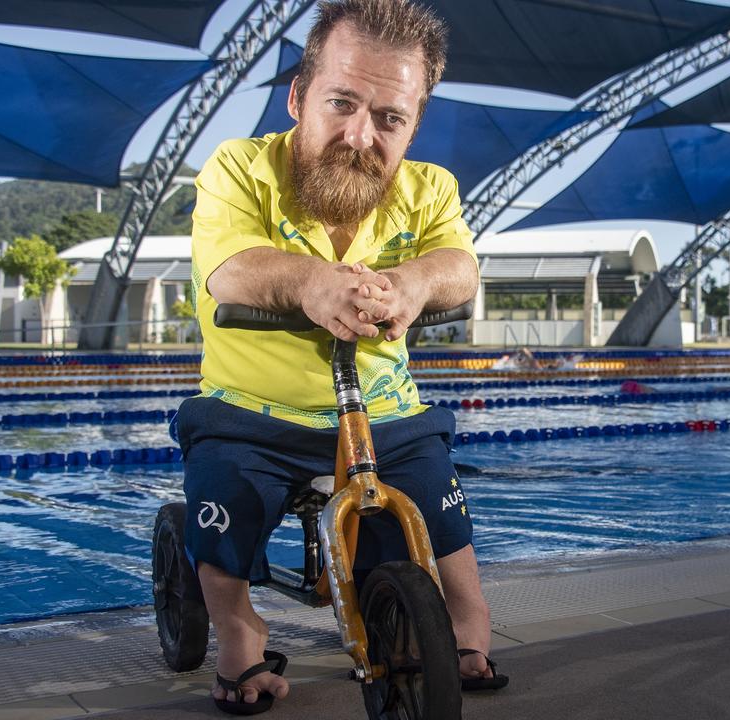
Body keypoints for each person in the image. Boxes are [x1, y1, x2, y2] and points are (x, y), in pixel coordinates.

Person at [178, 0, 505, 713]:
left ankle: (468, 621)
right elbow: (229, 268)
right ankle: (239, 635)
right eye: (341, 103)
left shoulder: (429, 189)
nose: (361, 135)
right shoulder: (240, 168)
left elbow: (459, 265)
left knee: (436, 501)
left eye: (390, 118)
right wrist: (310, 283)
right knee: (222, 493)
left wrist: (414, 283)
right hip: (250, 413)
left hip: (383, 415)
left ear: (414, 124)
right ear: (298, 98)